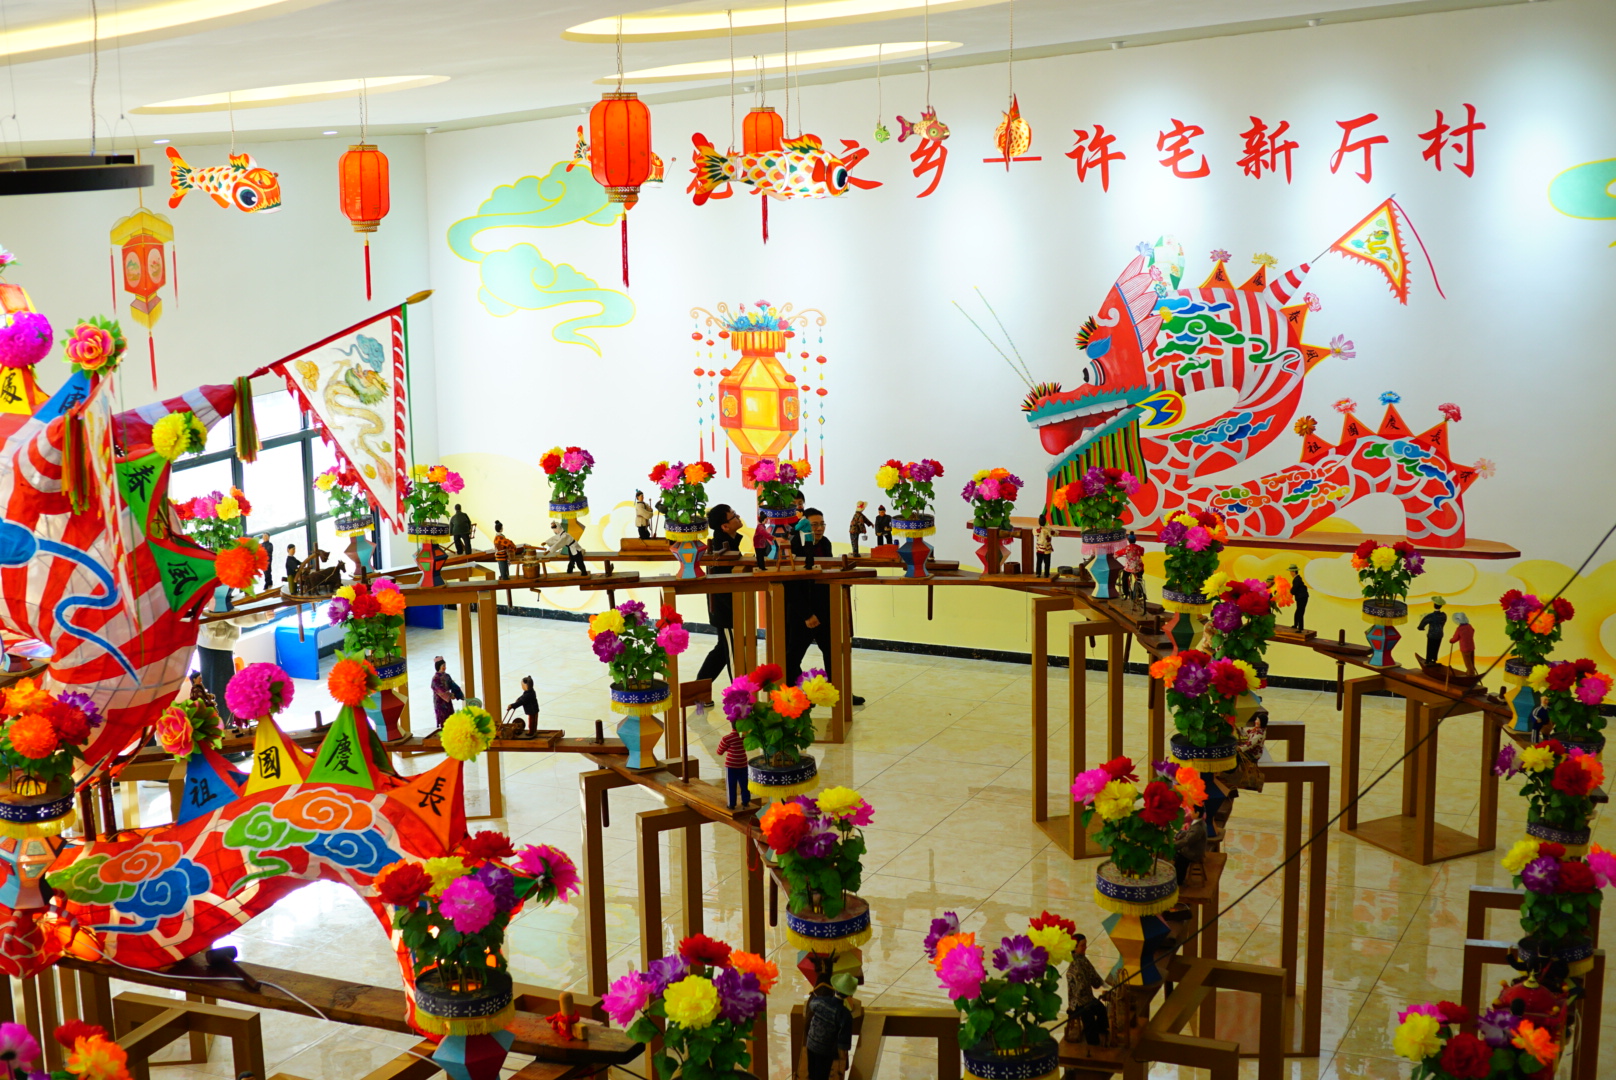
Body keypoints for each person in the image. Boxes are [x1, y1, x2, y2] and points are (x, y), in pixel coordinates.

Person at [786, 510, 864, 705]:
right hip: (801, 611)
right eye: (814, 525)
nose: (819, 528)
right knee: (792, 657)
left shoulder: (825, 543)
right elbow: (791, 585)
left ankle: (840, 693)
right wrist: (806, 614)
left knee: (833, 652)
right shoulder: (795, 545)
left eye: (822, 524)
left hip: (824, 607)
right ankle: (794, 697)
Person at [196, 588, 271, 725]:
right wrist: (262, 617)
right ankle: (223, 725)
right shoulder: (219, 591)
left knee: (213, 688)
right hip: (217, 646)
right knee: (221, 691)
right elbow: (233, 617)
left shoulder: (214, 590)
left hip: (209, 643)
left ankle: (219, 724)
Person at [697, 504, 745, 685]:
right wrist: (736, 611)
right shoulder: (721, 549)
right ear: (725, 526)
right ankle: (739, 694)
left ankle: (698, 690)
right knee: (733, 652)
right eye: (734, 516)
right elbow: (722, 586)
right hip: (726, 611)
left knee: (722, 651)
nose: (738, 517)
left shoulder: (727, 542)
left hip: (726, 609)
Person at [803, 977, 856, 1080]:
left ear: (835, 988)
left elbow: (811, 1005)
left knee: (812, 1070)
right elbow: (843, 1040)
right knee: (822, 1075)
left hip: (811, 1043)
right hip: (825, 1049)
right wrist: (843, 1055)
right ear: (849, 994)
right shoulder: (844, 1014)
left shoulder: (819, 1001)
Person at [1064, 934, 1108, 1046]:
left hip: (1087, 998)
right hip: (1078, 1002)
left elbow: (1092, 973)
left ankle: (1102, 1030)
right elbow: (1080, 986)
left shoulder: (1083, 959)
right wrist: (1086, 1001)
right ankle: (1093, 1044)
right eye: (1082, 945)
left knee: (1101, 1009)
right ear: (1074, 947)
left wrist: (1102, 983)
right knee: (1089, 1019)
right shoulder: (1074, 964)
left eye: (1085, 945)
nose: (1085, 947)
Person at [716, 718, 751, 809]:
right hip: (743, 764)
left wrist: (729, 749)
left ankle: (731, 804)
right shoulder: (744, 737)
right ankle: (746, 802)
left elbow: (719, 752)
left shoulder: (727, 738)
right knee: (745, 784)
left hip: (731, 766)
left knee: (731, 785)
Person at [431, 656, 463, 729]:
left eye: (445, 666)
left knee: (450, 716)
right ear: (438, 666)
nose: (445, 667)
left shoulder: (447, 676)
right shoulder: (435, 678)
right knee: (443, 718)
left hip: (447, 701)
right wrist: (450, 695)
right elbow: (439, 690)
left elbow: (453, 685)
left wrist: (458, 693)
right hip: (439, 701)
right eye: (443, 666)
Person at [1417, 596, 1447, 665]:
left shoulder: (1431, 616)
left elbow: (1423, 622)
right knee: (1436, 647)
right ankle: (1434, 660)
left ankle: (1428, 660)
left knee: (1430, 647)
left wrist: (1421, 628)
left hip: (1432, 634)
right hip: (1439, 634)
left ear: (1434, 605)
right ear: (1441, 606)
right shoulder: (1444, 615)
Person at [1118, 531, 1145, 599]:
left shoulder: (1127, 548)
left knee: (1124, 578)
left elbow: (1118, 553)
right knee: (1139, 578)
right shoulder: (1140, 548)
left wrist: (1115, 556)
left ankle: (1126, 593)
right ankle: (1139, 592)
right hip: (1139, 567)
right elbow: (1142, 553)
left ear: (1128, 540)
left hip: (1129, 568)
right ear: (1135, 540)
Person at [1289, 564, 1309, 630]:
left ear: (1294, 572)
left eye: (1291, 572)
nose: (1290, 573)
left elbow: (1294, 590)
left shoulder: (1296, 580)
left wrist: (1290, 591)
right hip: (1301, 597)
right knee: (1299, 611)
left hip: (1302, 597)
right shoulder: (1297, 579)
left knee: (1300, 612)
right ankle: (1296, 625)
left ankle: (1300, 628)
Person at [1034, 514, 1054, 578]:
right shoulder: (1048, 530)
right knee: (1047, 562)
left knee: (1039, 561)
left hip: (1039, 548)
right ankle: (1046, 574)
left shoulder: (1036, 530)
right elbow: (1055, 533)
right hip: (1046, 548)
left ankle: (1038, 573)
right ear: (1045, 521)